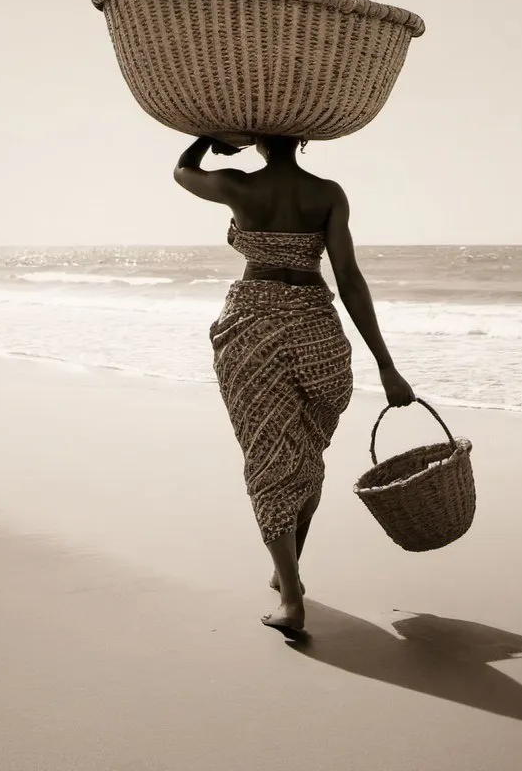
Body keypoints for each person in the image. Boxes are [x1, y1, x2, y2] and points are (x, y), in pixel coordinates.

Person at [173, 133, 415, 638]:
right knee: (304, 457)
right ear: (304, 135)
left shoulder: (238, 187)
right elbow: (348, 278)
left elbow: (182, 172)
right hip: (315, 331)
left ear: (256, 137)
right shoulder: (328, 193)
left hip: (253, 327)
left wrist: (208, 140)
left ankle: (290, 595)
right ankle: (289, 571)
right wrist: (386, 366)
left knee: (267, 456)